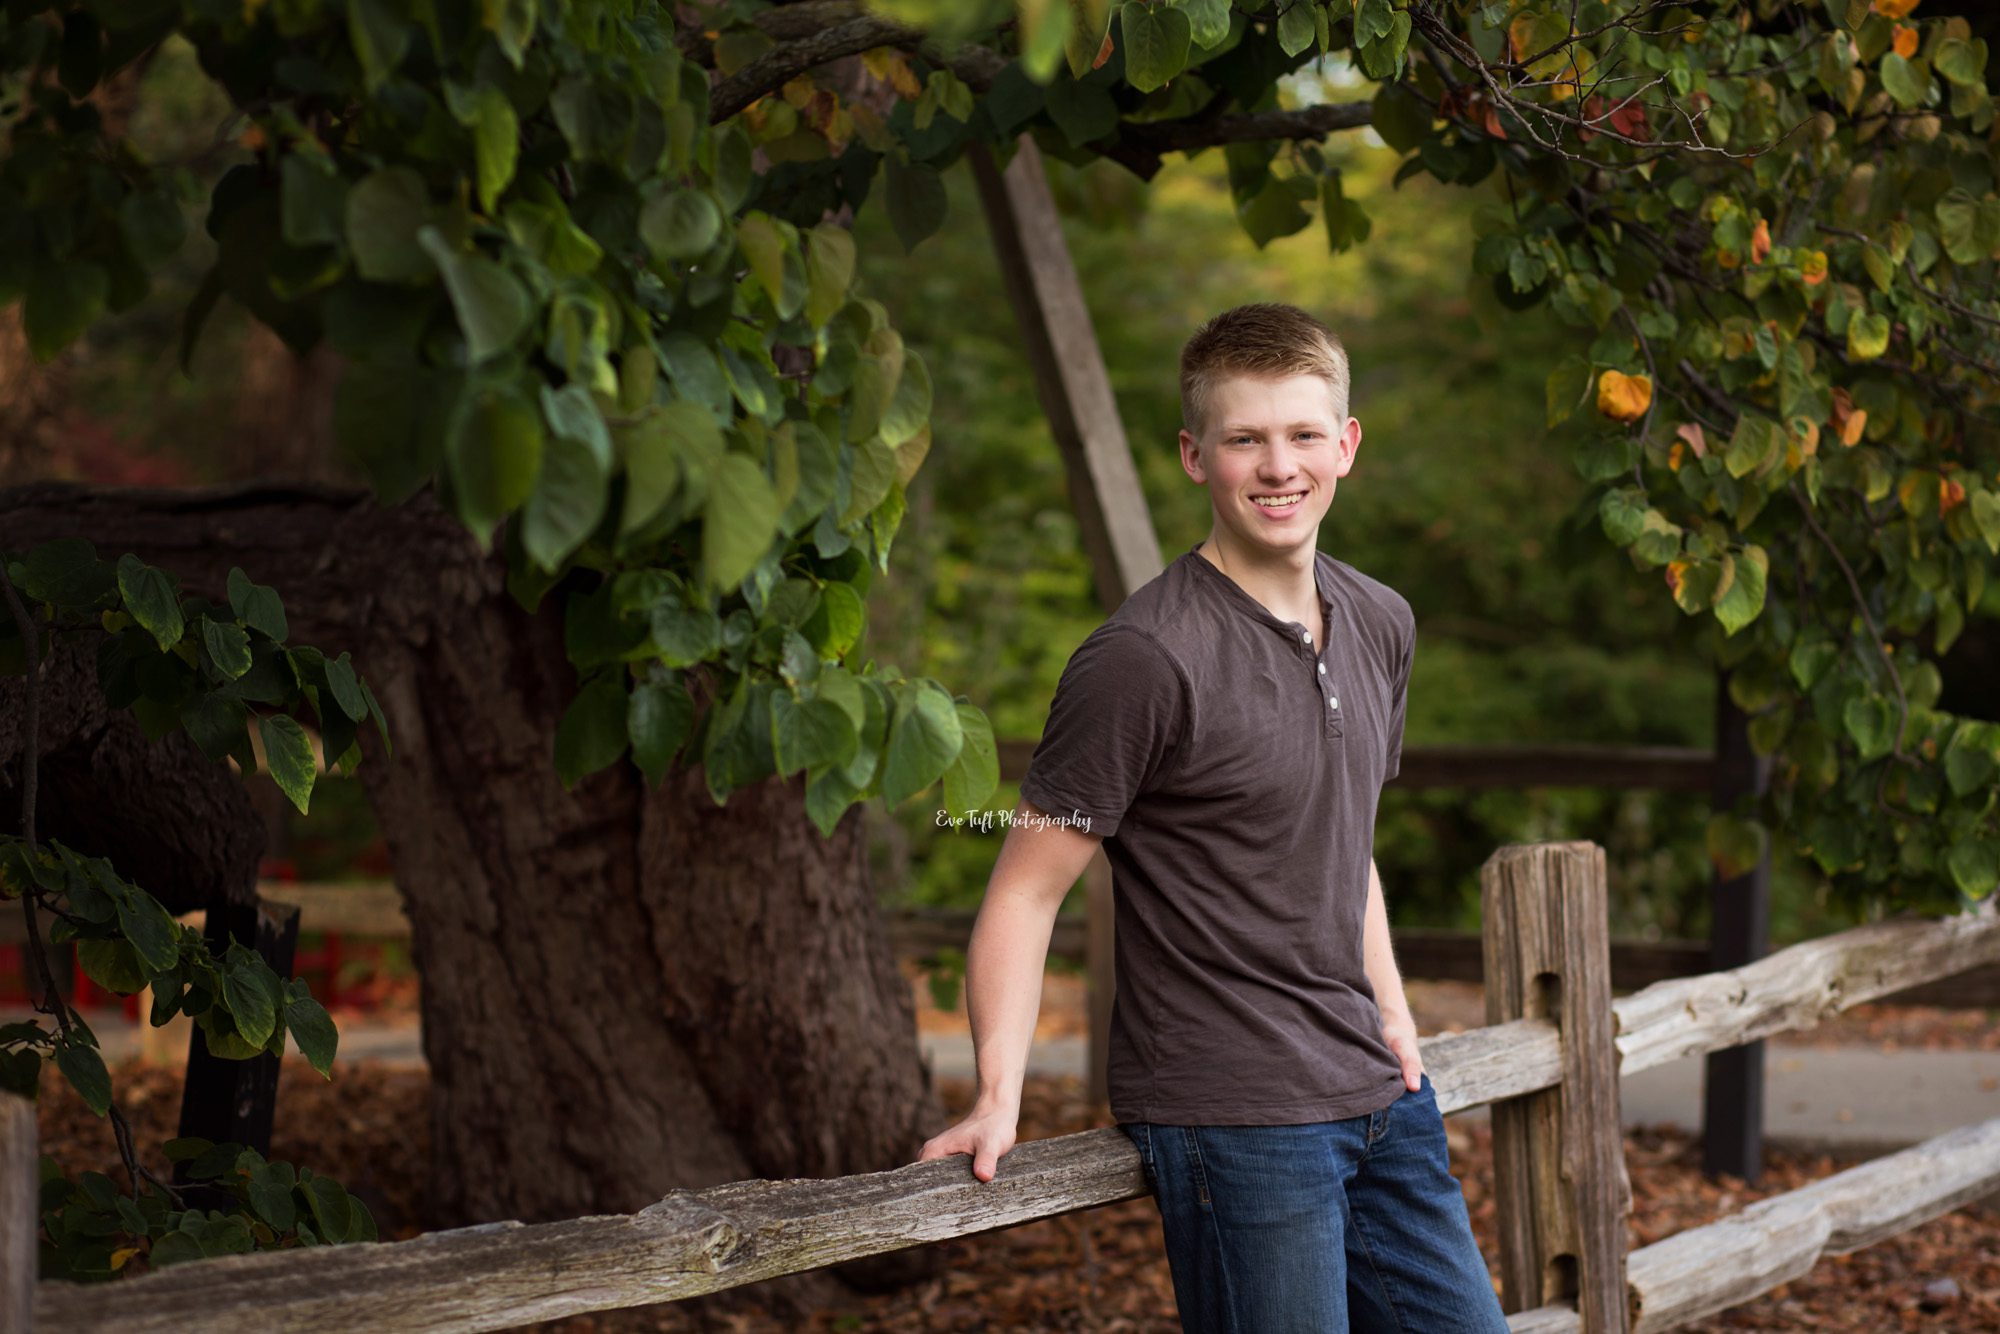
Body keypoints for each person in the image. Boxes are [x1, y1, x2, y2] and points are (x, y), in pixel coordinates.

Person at [916, 303, 1509, 1332]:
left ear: (1346, 444)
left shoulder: (1380, 619)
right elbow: (1023, 889)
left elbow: (1341, 838)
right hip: (1232, 1109)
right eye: (1243, 438)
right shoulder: (1143, 657)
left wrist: (1395, 1010)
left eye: (1300, 433)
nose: (1276, 465)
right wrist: (996, 1090)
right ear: (1195, 455)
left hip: (1376, 1095)